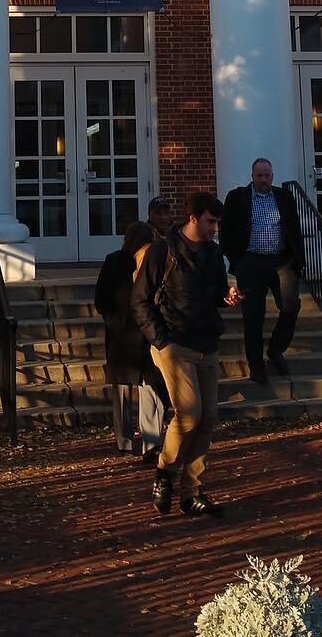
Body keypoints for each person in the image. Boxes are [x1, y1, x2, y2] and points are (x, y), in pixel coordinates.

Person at [131, 191, 242, 517]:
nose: (215, 228)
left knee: (208, 418)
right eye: (211, 222)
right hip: (173, 342)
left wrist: (229, 295)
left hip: (205, 340)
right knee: (189, 412)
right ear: (193, 218)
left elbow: (218, 291)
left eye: (218, 223)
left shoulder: (212, 251)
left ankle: (192, 492)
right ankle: (165, 472)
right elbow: (139, 299)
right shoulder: (162, 249)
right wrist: (160, 340)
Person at [221, 158, 306, 386]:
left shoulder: (283, 197)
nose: (264, 180)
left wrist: (298, 258)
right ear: (252, 176)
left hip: (281, 261)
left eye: (267, 175)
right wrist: (236, 260)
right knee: (253, 317)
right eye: (259, 176)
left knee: (291, 307)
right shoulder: (238, 198)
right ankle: (256, 367)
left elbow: (294, 228)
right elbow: (226, 229)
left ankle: (276, 349)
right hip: (251, 262)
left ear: (272, 175)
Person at [93, 221, 168, 452]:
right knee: (122, 391)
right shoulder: (115, 262)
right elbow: (102, 299)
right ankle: (124, 440)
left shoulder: (155, 263)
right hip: (122, 335)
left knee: (151, 389)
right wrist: (116, 323)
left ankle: (151, 441)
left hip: (147, 334)